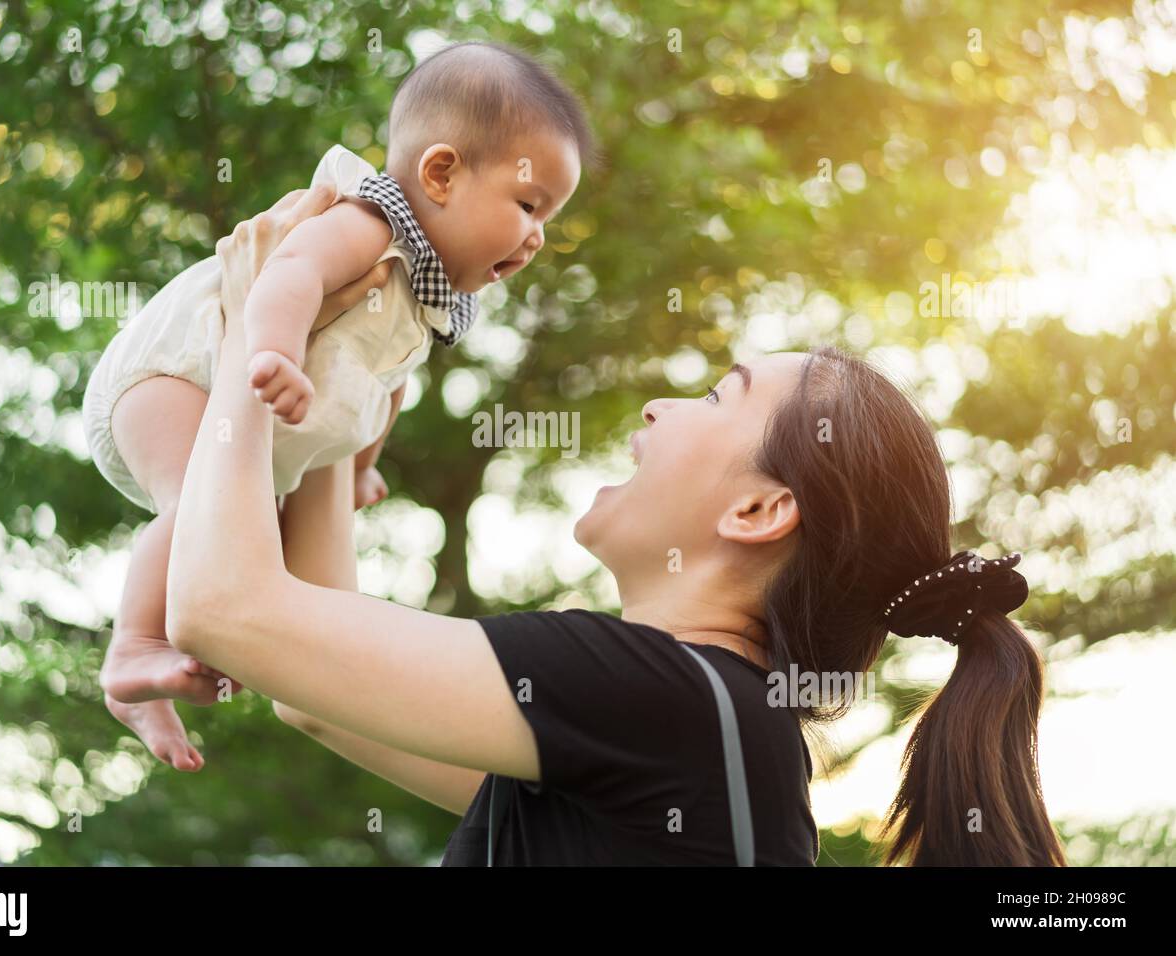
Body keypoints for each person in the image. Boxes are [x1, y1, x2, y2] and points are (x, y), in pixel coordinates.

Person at [164, 188, 1066, 867]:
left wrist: (256, 329)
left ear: (759, 510)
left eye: (717, 396)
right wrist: (339, 386)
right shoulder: (679, 736)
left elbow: (224, 609)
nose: (658, 408)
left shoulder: (665, 702)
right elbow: (313, 693)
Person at [80, 41, 594, 768]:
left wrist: (357, 469)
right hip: (172, 377)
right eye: (527, 204)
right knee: (193, 510)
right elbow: (289, 271)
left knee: (244, 546)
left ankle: (147, 692)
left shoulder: (426, 298)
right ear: (441, 173)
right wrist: (275, 354)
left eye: (548, 217)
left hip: (251, 414)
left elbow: (388, 385)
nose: (538, 235)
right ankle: (132, 645)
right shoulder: (372, 221)